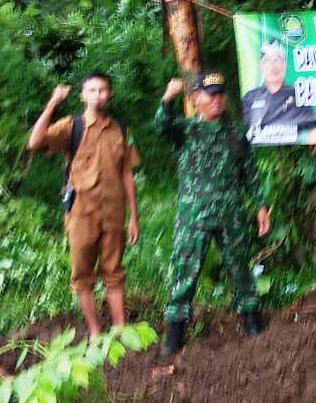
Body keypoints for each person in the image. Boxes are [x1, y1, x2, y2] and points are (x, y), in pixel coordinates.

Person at [156, 72, 272, 354]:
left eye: (221, 94)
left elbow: (250, 172)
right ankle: (175, 330)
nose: (217, 99)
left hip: (230, 212)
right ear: (196, 100)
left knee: (240, 267)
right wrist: (168, 98)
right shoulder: (185, 130)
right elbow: (161, 126)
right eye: (211, 94)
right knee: (185, 271)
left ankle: (251, 320)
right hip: (194, 216)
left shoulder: (236, 132)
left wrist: (260, 205)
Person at [28, 73, 140, 337]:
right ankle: (94, 331)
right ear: (82, 95)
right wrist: (53, 103)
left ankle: (121, 330)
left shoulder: (121, 130)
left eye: (102, 90)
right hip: (81, 215)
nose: (98, 95)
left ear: (109, 94)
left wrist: (133, 216)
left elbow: (127, 174)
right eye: (92, 90)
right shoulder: (71, 127)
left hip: (113, 214)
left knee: (114, 273)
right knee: (83, 276)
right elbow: (35, 142)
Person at [243, 41, 316, 145]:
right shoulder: (250, 97)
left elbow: (314, 130)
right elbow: (243, 130)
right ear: (261, 66)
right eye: (267, 61)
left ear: (284, 65)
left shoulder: (298, 94)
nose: (272, 66)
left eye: (276, 60)